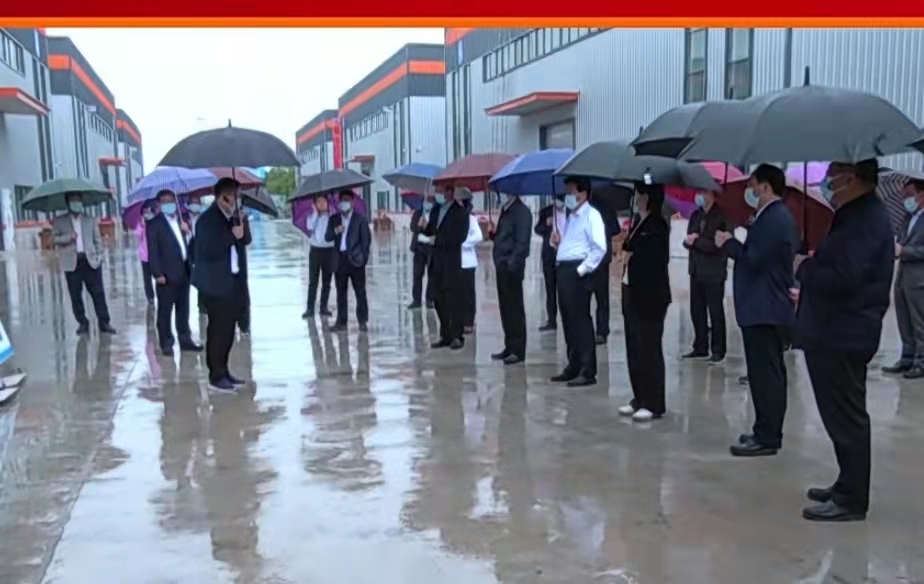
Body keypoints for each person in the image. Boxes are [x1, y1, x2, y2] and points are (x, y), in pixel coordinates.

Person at [795, 159, 893, 522]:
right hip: (835, 331)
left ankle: (852, 499)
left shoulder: (865, 219)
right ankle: (845, 483)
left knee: (847, 417)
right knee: (838, 416)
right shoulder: (855, 214)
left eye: (832, 176)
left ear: (851, 178)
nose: (827, 183)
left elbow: (844, 277)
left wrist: (805, 268)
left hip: (844, 333)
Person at [715, 164, 796, 457]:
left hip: (766, 307)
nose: (748, 191)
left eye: (751, 185)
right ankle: (763, 429)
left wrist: (729, 244)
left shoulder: (775, 218)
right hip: (760, 306)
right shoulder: (767, 217)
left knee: (767, 376)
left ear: (765, 186)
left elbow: (755, 259)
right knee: (761, 376)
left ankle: (768, 436)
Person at [618, 184, 671, 421]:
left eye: (639, 194)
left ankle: (653, 402)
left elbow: (656, 259)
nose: (636, 199)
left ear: (648, 197)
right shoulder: (639, 222)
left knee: (649, 349)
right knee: (634, 348)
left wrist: (633, 254)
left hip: (650, 296)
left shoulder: (657, 225)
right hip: (631, 291)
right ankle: (639, 396)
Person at [192, 178, 250, 392]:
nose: (236, 201)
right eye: (233, 197)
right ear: (222, 197)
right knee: (218, 331)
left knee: (229, 331)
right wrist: (231, 235)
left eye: (238, 197)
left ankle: (224, 370)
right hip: (215, 285)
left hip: (233, 282)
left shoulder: (233, 218)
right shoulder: (206, 220)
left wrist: (242, 225)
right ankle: (215, 375)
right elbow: (210, 249)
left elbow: (245, 241)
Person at [550, 177, 607, 386]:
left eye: (571, 192)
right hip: (563, 268)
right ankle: (573, 364)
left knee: (580, 320)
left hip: (577, 271)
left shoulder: (592, 215)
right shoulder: (571, 216)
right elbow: (570, 244)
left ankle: (587, 368)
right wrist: (556, 241)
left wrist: (582, 270)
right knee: (568, 320)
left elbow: (599, 247)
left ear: (583, 193)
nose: (568, 196)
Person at [52, 192, 117, 336]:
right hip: (72, 263)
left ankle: (104, 322)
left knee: (98, 293)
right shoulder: (60, 221)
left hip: (90, 262)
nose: (76, 203)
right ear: (68, 203)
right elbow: (54, 239)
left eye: (78, 200)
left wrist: (99, 257)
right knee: (75, 295)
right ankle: (82, 322)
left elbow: (97, 241)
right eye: (73, 200)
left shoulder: (90, 220)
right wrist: (69, 237)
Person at [147, 189, 202, 356]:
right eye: (165, 201)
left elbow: (188, 245)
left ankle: (185, 339)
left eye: (171, 200)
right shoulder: (154, 224)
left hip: (183, 271)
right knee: (165, 311)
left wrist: (188, 232)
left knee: (183, 309)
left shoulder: (181, 220)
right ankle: (166, 342)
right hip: (166, 275)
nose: (169, 204)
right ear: (159, 204)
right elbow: (152, 251)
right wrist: (157, 273)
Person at [682, 189, 732, 362]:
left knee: (715, 311)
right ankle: (700, 346)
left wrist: (696, 241)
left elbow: (718, 245)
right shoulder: (696, 215)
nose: (700, 196)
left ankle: (718, 349)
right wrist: (691, 242)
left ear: (712, 194)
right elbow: (688, 239)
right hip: (696, 269)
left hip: (714, 271)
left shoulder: (722, 216)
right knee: (696, 309)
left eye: (703, 192)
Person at [883, 176, 924, 379]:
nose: (906, 199)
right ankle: (907, 357)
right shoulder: (908, 218)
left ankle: (921, 362)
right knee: (904, 320)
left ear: (921, 195)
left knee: (919, 323)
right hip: (903, 276)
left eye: (909, 195)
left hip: (919, 280)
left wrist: (905, 251)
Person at [423, 186, 469, 350]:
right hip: (436, 261)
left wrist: (439, 240)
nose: (439, 194)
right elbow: (430, 232)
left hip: (451, 261)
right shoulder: (436, 210)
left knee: (453, 299)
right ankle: (446, 334)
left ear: (450, 192)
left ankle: (457, 335)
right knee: (438, 298)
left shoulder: (460, 212)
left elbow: (460, 236)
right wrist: (424, 227)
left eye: (442, 190)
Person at [490, 191, 532, 364]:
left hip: (511, 269)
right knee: (505, 308)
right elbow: (504, 237)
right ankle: (509, 345)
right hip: (502, 267)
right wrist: (493, 234)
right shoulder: (506, 210)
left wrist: (511, 263)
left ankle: (518, 349)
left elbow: (522, 243)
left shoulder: (522, 212)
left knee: (515, 308)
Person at [325, 190, 371, 332]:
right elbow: (327, 237)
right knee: (341, 293)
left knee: (360, 292)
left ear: (352, 202)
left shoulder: (360, 219)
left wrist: (363, 259)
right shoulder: (334, 219)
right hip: (340, 260)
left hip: (356, 260)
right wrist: (336, 231)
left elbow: (366, 241)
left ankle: (362, 321)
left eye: (347, 200)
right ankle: (341, 322)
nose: (344, 203)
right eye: (342, 200)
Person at [590, 191, 621, 345]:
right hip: (602, 258)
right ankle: (602, 331)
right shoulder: (607, 208)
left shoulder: (582, 208)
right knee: (602, 298)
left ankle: (589, 330)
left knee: (584, 297)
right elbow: (615, 230)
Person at [535, 195, 566, 331]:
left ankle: (567, 319)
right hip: (549, 255)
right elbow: (537, 229)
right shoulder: (546, 211)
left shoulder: (571, 212)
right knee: (550, 288)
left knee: (565, 290)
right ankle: (551, 320)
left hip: (565, 255)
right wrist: (546, 224)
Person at [303, 193, 336, 319]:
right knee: (313, 281)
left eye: (323, 201)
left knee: (326, 281)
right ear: (315, 204)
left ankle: (323, 307)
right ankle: (310, 308)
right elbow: (309, 227)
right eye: (318, 201)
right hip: (315, 250)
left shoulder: (333, 216)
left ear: (328, 202)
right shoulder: (311, 216)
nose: (321, 204)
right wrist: (316, 214)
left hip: (329, 250)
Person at [459, 190, 482, 334]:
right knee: (459, 293)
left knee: (468, 293)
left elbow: (478, 236)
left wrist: (464, 243)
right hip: (456, 261)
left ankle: (469, 321)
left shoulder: (471, 219)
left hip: (468, 261)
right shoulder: (455, 218)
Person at [408, 195, 435, 310]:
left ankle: (429, 299)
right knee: (417, 274)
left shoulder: (435, 214)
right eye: (426, 201)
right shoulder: (418, 213)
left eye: (430, 201)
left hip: (431, 249)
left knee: (432, 275)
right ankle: (416, 300)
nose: (427, 203)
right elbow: (412, 227)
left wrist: (428, 226)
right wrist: (419, 225)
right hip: (419, 249)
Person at [136, 200, 157, 305]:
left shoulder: (156, 223)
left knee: (159, 276)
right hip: (145, 256)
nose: (147, 214)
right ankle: (150, 297)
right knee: (147, 279)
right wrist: (142, 224)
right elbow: (138, 235)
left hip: (156, 255)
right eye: (145, 212)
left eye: (149, 211)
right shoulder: (141, 224)